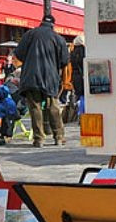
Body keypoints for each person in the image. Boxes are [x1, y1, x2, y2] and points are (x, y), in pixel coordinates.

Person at [14, 14, 69, 147]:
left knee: (35, 108)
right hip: (50, 77)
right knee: (53, 107)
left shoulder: (29, 35)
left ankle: (39, 139)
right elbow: (64, 61)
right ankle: (59, 137)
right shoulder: (58, 38)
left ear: (41, 22)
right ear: (53, 25)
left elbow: (19, 54)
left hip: (31, 76)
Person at [70, 35, 86, 114]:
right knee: (85, 96)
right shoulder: (85, 51)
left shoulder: (72, 53)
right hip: (83, 76)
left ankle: (80, 113)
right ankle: (84, 112)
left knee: (79, 96)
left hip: (75, 77)